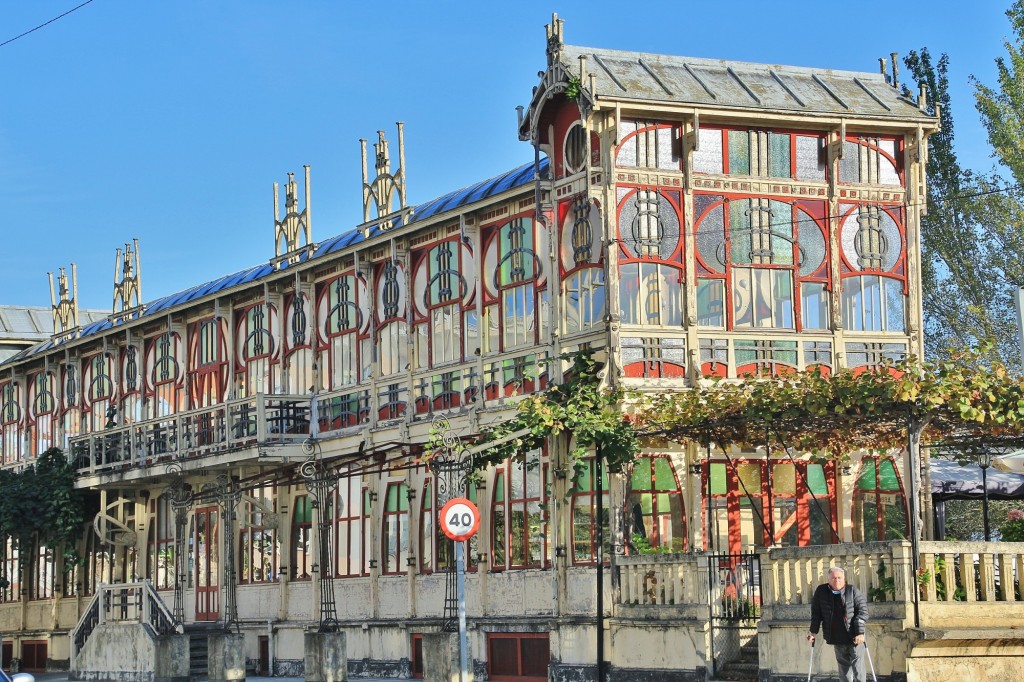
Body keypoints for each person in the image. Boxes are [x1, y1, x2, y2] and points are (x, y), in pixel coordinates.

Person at [806, 566, 868, 682]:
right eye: (833, 578)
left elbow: (862, 612)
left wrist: (860, 632)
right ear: (828, 579)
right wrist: (813, 632)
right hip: (837, 637)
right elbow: (816, 614)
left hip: (855, 636)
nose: (837, 580)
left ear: (844, 578)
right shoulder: (821, 591)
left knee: (858, 669)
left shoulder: (852, 590)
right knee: (844, 670)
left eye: (839, 578)